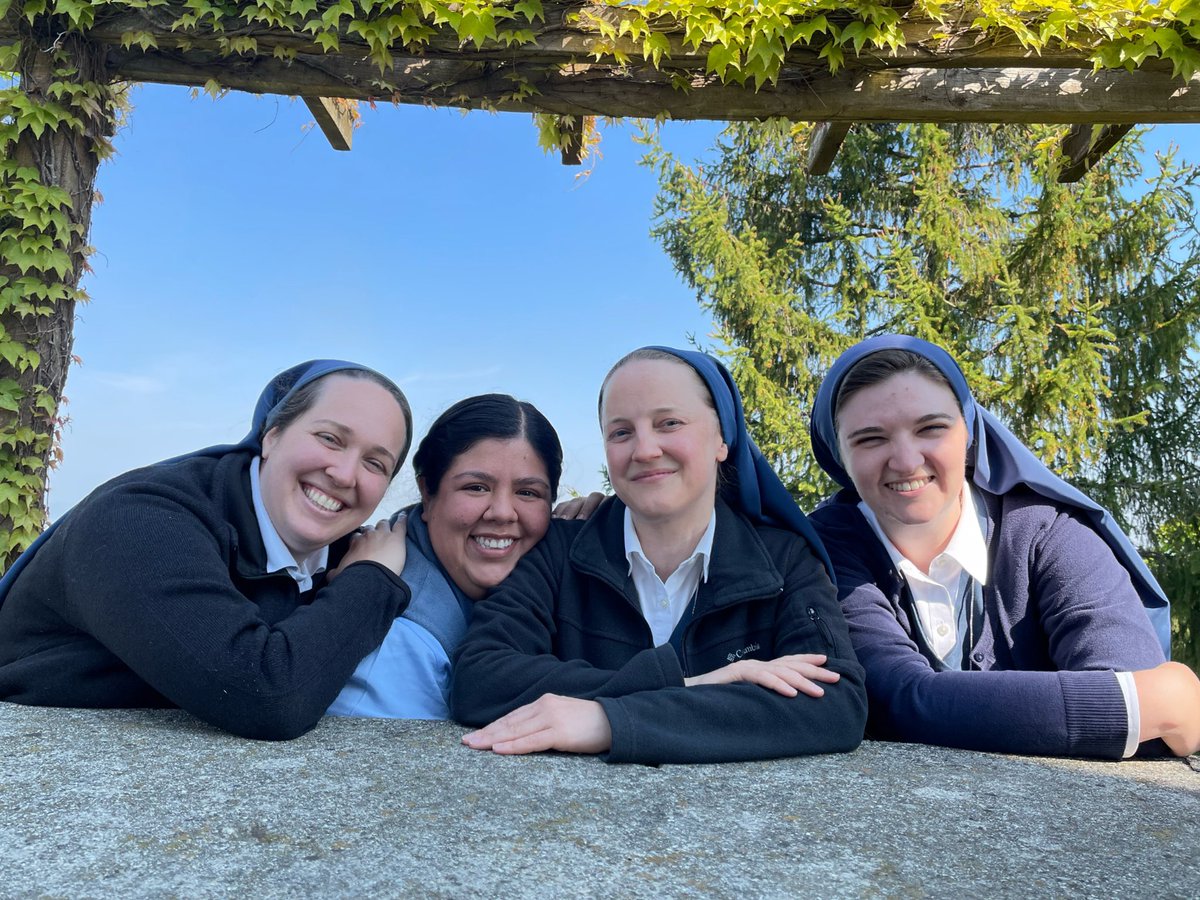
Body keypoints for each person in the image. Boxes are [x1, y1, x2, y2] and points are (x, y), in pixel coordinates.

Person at [452, 347, 867, 764]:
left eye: (669, 423)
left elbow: (835, 702)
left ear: (723, 438)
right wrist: (689, 683)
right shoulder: (560, 549)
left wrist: (608, 721)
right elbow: (480, 677)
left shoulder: (784, 559)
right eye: (621, 432)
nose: (645, 450)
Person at [808, 334, 1200, 758]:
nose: (905, 461)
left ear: (969, 432)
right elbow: (896, 698)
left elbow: (1148, 729)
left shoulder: (1048, 535)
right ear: (839, 457)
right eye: (870, 439)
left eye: (931, 428)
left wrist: (1138, 709)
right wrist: (1139, 705)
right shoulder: (821, 554)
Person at [0, 360, 414, 741]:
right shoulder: (140, 518)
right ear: (271, 437)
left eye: (375, 464)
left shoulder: (345, 547)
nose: (345, 474)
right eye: (329, 438)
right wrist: (370, 580)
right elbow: (265, 696)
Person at [328, 393, 562, 719]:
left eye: (528, 493)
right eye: (476, 487)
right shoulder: (397, 645)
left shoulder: (541, 572)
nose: (502, 513)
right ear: (428, 492)